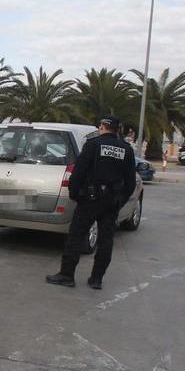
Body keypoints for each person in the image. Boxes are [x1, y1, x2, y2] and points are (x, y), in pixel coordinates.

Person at [46, 116, 136, 290]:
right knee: (106, 240)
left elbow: (78, 172)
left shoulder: (93, 145)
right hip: (111, 202)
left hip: (89, 199)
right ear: (117, 130)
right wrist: (119, 201)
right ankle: (96, 279)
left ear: (103, 127)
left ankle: (67, 275)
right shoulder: (126, 149)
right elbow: (130, 182)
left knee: (76, 236)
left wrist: (74, 194)